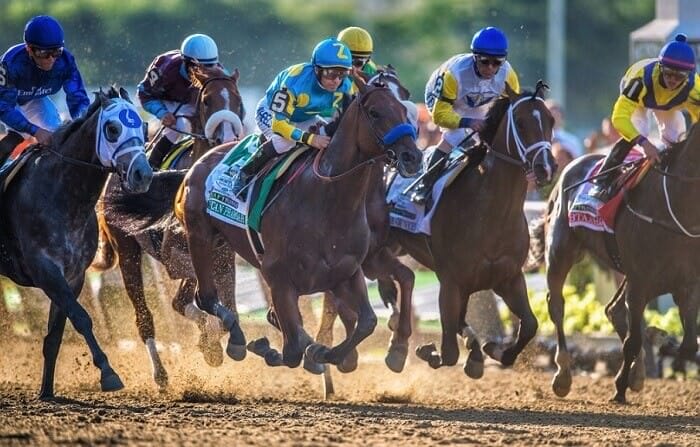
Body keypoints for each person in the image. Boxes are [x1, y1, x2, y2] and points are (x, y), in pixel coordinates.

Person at [231, 37, 353, 196]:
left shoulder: (345, 86)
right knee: (284, 142)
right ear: (317, 69)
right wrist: (311, 139)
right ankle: (244, 173)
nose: (337, 81)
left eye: (343, 74)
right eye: (331, 74)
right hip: (271, 113)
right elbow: (279, 125)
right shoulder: (294, 81)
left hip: (304, 117)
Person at [412, 26, 520, 204]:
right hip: (445, 102)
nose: (490, 68)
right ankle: (425, 185)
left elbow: (513, 108)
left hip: (479, 103)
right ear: (475, 57)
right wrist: (467, 122)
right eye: (484, 61)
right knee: (454, 137)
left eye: (497, 62)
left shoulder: (508, 75)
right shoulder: (455, 74)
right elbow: (439, 115)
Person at [589, 33, 700, 202]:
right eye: (668, 73)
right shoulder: (640, 79)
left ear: (688, 75)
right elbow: (619, 117)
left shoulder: (695, 88)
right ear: (660, 68)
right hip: (640, 99)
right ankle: (603, 179)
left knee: (676, 136)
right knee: (640, 129)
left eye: (679, 77)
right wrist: (644, 143)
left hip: (670, 105)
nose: (672, 80)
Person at [0, 15, 89, 162]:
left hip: (31, 99)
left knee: (57, 138)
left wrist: (84, 127)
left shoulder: (66, 61)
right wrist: (34, 130)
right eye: (43, 53)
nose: (51, 59)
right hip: (5, 101)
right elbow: (4, 107)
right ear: (29, 49)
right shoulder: (11, 64)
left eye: (56, 52)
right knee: (13, 140)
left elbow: (78, 99)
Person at [137, 33, 226, 168]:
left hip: (194, 102)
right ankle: (152, 164)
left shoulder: (219, 72)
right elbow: (143, 94)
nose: (205, 73)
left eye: (210, 66)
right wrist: (162, 113)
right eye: (200, 68)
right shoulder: (165, 69)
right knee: (179, 127)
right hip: (167, 101)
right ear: (186, 63)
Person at [545, 99, 584, 171]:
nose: (552, 119)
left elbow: (578, 165)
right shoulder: (536, 141)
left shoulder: (573, 141)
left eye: (556, 116)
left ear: (562, 118)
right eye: (549, 115)